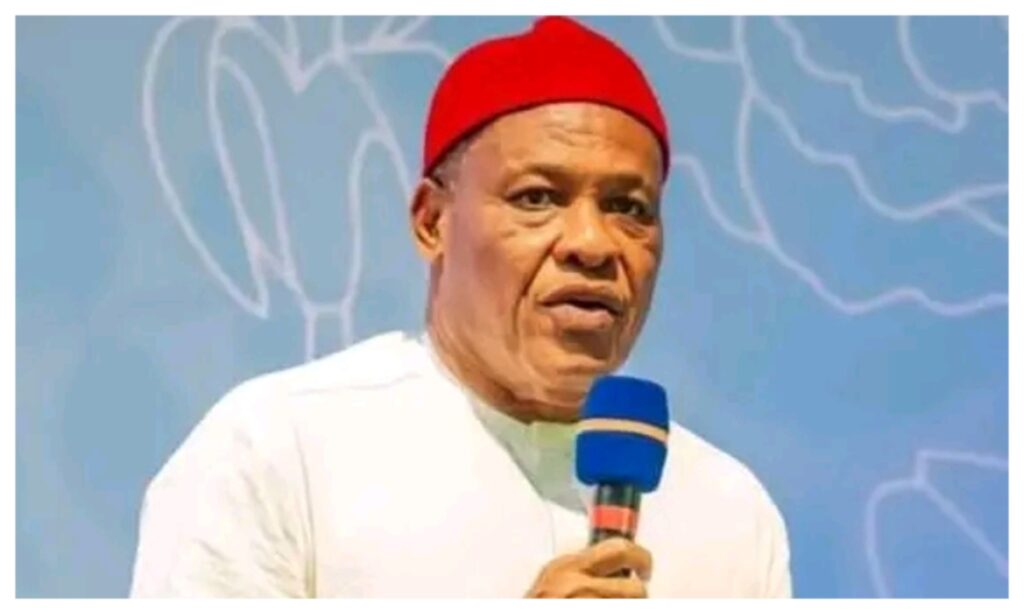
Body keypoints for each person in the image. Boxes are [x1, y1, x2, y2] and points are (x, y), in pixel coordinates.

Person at [130, 16, 791, 598]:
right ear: (432, 222)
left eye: (628, 207)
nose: (592, 243)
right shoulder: (280, 448)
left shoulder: (731, 511)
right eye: (537, 198)